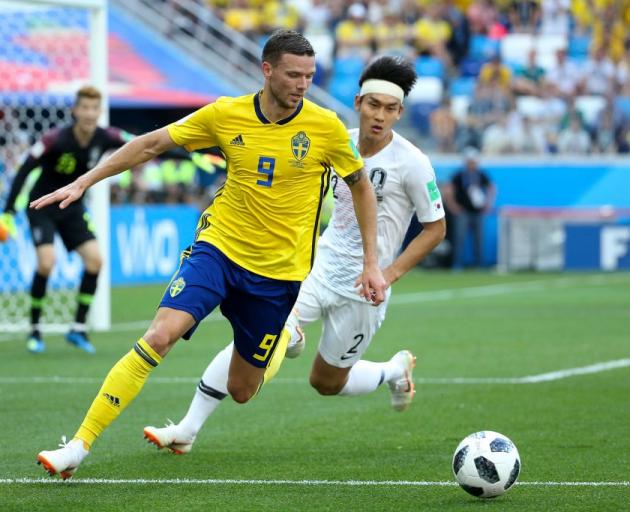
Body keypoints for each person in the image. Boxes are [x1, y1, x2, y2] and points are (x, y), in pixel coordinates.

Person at [32, 29, 385, 480]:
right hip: (218, 249)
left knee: (242, 389)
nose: (302, 84)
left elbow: (360, 187)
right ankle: (78, 447)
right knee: (160, 335)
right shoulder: (225, 114)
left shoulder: (326, 127)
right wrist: (86, 181)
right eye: (294, 74)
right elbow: (151, 143)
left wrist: (371, 262)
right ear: (267, 69)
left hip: (278, 275)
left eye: (310, 76)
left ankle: (286, 338)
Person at [141, 56, 447, 455]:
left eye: (390, 109)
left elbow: (436, 228)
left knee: (326, 382)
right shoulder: (332, 140)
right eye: (373, 105)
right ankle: (187, 428)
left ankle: (394, 369)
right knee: (262, 332)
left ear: (400, 112)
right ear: (357, 102)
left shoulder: (413, 163)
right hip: (313, 267)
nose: (380, 116)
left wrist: (387, 274)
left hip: (365, 286)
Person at [0, 86, 134, 354]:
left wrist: (188, 152)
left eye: (94, 108)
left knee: (96, 260)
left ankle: (78, 328)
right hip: (43, 206)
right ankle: (35, 329)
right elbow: (25, 169)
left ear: (99, 112)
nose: (89, 113)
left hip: (72, 208)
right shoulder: (54, 140)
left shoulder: (106, 137)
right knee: (47, 263)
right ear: (75, 111)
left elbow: (145, 143)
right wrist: (9, 211)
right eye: (84, 107)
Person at [443, 147, 495, 269]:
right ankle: (457, 264)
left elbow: (492, 188)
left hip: (478, 212)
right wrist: (453, 205)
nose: (472, 164)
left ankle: (479, 264)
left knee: (479, 239)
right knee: (459, 238)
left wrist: (488, 204)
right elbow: (448, 190)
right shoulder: (459, 175)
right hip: (463, 211)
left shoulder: (481, 175)